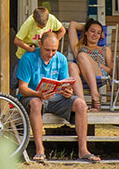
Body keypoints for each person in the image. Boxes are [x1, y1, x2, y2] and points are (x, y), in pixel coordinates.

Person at [17, 32, 101, 163]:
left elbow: (65, 83)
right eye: (47, 50)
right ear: (40, 44)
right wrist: (38, 94)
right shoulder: (28, 58)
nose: (50, 54)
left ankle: (83, 150)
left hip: (55, 97)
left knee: (81, 104)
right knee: (36, 103)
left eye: (54, 50)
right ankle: (40, 149)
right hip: (33, 96)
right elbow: (22, 88)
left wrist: (68, 91)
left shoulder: (61, 59)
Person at [68, 19, 112, 111]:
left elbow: (111, 70)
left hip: (99, 73)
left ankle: (95, 95)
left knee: (81, 55)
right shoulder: (79, 47)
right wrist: (86, 27)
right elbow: (73, 24)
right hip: (82, 75)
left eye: (98, 33)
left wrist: (98, 64)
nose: (95, 35)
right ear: (86, 32)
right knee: (72, 65)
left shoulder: (105, 49)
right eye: (92, 31)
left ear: (100, 36)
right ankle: (82, 103)